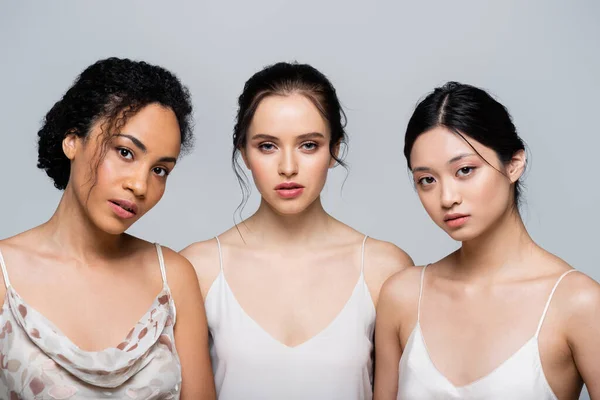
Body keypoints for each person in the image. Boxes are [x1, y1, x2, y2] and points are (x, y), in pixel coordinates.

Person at [181, 61, 413, 400]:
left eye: (308, 145)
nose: (288, 168)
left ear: (334, 149)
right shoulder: (197, 269)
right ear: (244, 152)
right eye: (267, 146)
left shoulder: (385, 269)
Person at [0, 57, 215, 399]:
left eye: (160, 170)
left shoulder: (173, 278)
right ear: (73, 139)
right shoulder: (3, 275)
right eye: (126, 152)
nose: (141, 185)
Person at [374, 81, 600, 399]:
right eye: (426, 180)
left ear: (514, 164)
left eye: (465, 170)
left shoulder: (578, 304)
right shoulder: (403, 296)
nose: (447, 197)